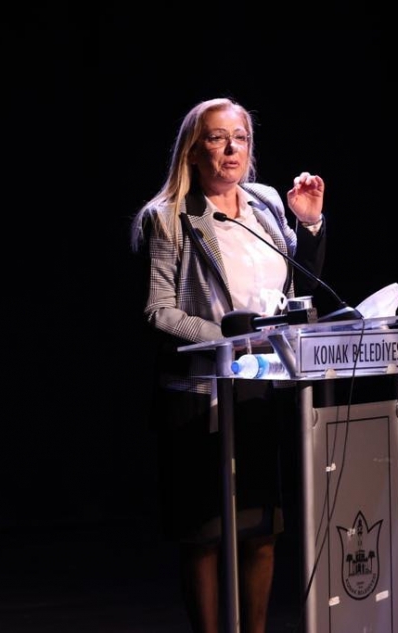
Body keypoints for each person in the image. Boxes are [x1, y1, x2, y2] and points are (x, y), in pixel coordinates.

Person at [129, 97, 328, 633]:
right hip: (201, 397)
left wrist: (309, 224)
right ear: (194, 151)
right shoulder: (168, 217)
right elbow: (158, 311)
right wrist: (229, 342)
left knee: (261, 531)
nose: (231, 148)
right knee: (206, 536)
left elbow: (300, 289)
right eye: (217, 138)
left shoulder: (266, 205)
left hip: (261, 390)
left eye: (240, 138)